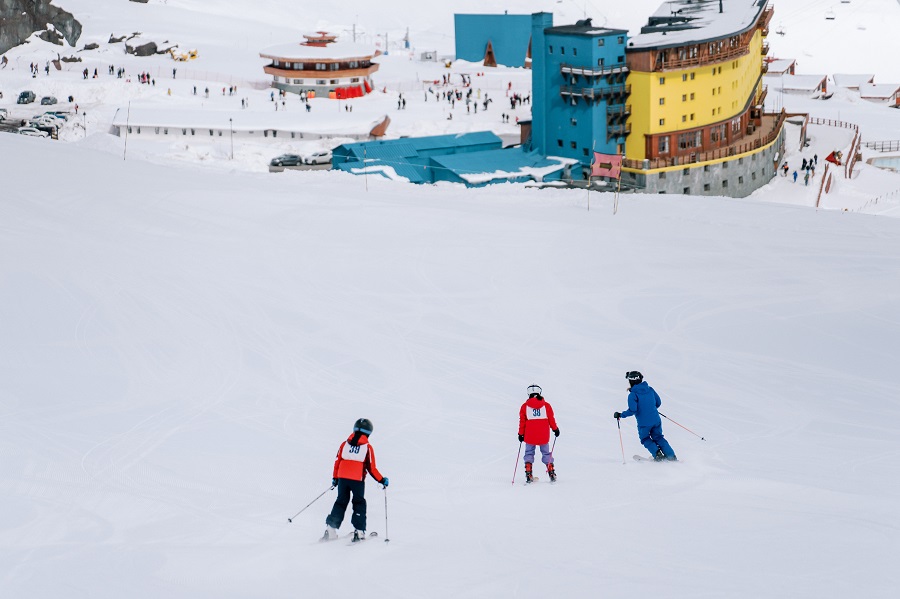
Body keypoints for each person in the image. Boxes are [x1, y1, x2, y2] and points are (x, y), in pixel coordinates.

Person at [322, 418, 388, 543]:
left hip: (342, 478)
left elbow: (337, 462)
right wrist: (382, 480)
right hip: (357, 480)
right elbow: (371, 468)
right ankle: (359, 531)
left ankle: (331, 529)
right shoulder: (367, 447)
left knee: (340, 502)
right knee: (358, 503)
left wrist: (335, 478)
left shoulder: (344, 444)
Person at [615, 371, 676, 461]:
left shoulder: (633, 395)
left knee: (645, 438)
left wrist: (621, 415)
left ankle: (658, 455)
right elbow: (658, 402)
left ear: (631, 381)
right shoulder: (650, 389)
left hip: (644, 423)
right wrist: (650, 408)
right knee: (659, 437)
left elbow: (633, 410)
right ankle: (671, 456)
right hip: (656, 419)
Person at [517, 385, 559, 483]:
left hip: (530, 435)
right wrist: (555, 429)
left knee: (529, 453)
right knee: (546, 453)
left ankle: (528, 472)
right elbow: (551, 419)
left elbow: (522, 422)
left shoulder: (524, 407)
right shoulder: (546, 405)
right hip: (543, 435)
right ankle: (551, 471)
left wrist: (520, 434)